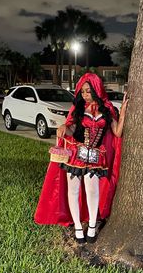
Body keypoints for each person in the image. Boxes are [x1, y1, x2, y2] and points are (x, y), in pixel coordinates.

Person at [34, 73, 128, 244]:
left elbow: (117, 133)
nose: (85, 95)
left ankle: (92, 225)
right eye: (83, 91)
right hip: (76, 155)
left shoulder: (107, 110)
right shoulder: (77, 108)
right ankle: (78, 225)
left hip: (95, 157)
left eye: (89, 91)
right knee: (74, 190)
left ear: (97, 90)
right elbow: (71, 131)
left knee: (92, 190)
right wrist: (64, 127)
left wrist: (122, 114)